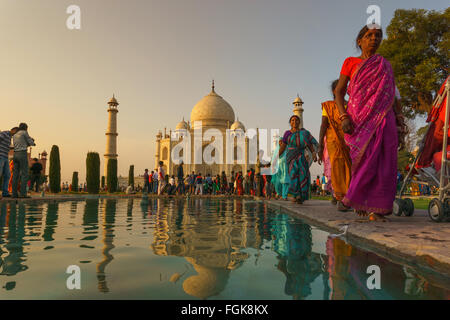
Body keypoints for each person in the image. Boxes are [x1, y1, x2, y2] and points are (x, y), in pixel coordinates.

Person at [334, 25, 406, 221]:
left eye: (378, 36)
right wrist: (343, 116)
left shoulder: (385, 65)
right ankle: (361, 200)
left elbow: (392, 96)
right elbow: (339, 91)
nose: (374, 38)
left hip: (384, 117)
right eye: (369, 35)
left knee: (385, 160)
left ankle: (378, 208)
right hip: (358, 119)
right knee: (364, 159)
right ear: (360, 41)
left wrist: (400, 122)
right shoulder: (350, 62)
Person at [319, 80, 352, 210]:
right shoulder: (328, 106)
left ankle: (350, 196)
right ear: (335, 90)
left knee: (350, 167)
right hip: (333, 140)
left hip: (349, 139)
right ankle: (341, 198)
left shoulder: (350, 105)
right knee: (337, 167)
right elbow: (323, 125)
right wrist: (321, 143)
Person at [272, 115, 319, 203]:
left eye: (296, 120)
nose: (294, 122)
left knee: (303, 174)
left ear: (299, 122)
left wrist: (313, 153)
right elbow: (282, 147)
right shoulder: (287, 133)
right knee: (293, 175)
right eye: (292, 120)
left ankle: (301, 196)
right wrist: (275, 158)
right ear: (290, 123)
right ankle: (296, 195)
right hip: (291, 157)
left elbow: (309, 144)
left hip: (301, 156)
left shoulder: (304, 133)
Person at [12, 123, 35, 198]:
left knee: (15, 175)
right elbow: (31, 143)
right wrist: (32, 141)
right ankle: (23, 194)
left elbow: (21, 143)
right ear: (25, 128)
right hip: (22, 154)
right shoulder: (24, 133)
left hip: (15, 155)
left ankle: (14, 194)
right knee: (25, 174)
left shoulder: (15, 135)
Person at [0, 127, 18, 199]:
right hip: (0, 156)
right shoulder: (4, 133)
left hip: (5, 157)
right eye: (16, 133)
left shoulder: (10, 137)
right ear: (13, 130)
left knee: (7, 175)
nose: (15, 135)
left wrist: (14, 148)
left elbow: (8, 147)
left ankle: (5, 192)